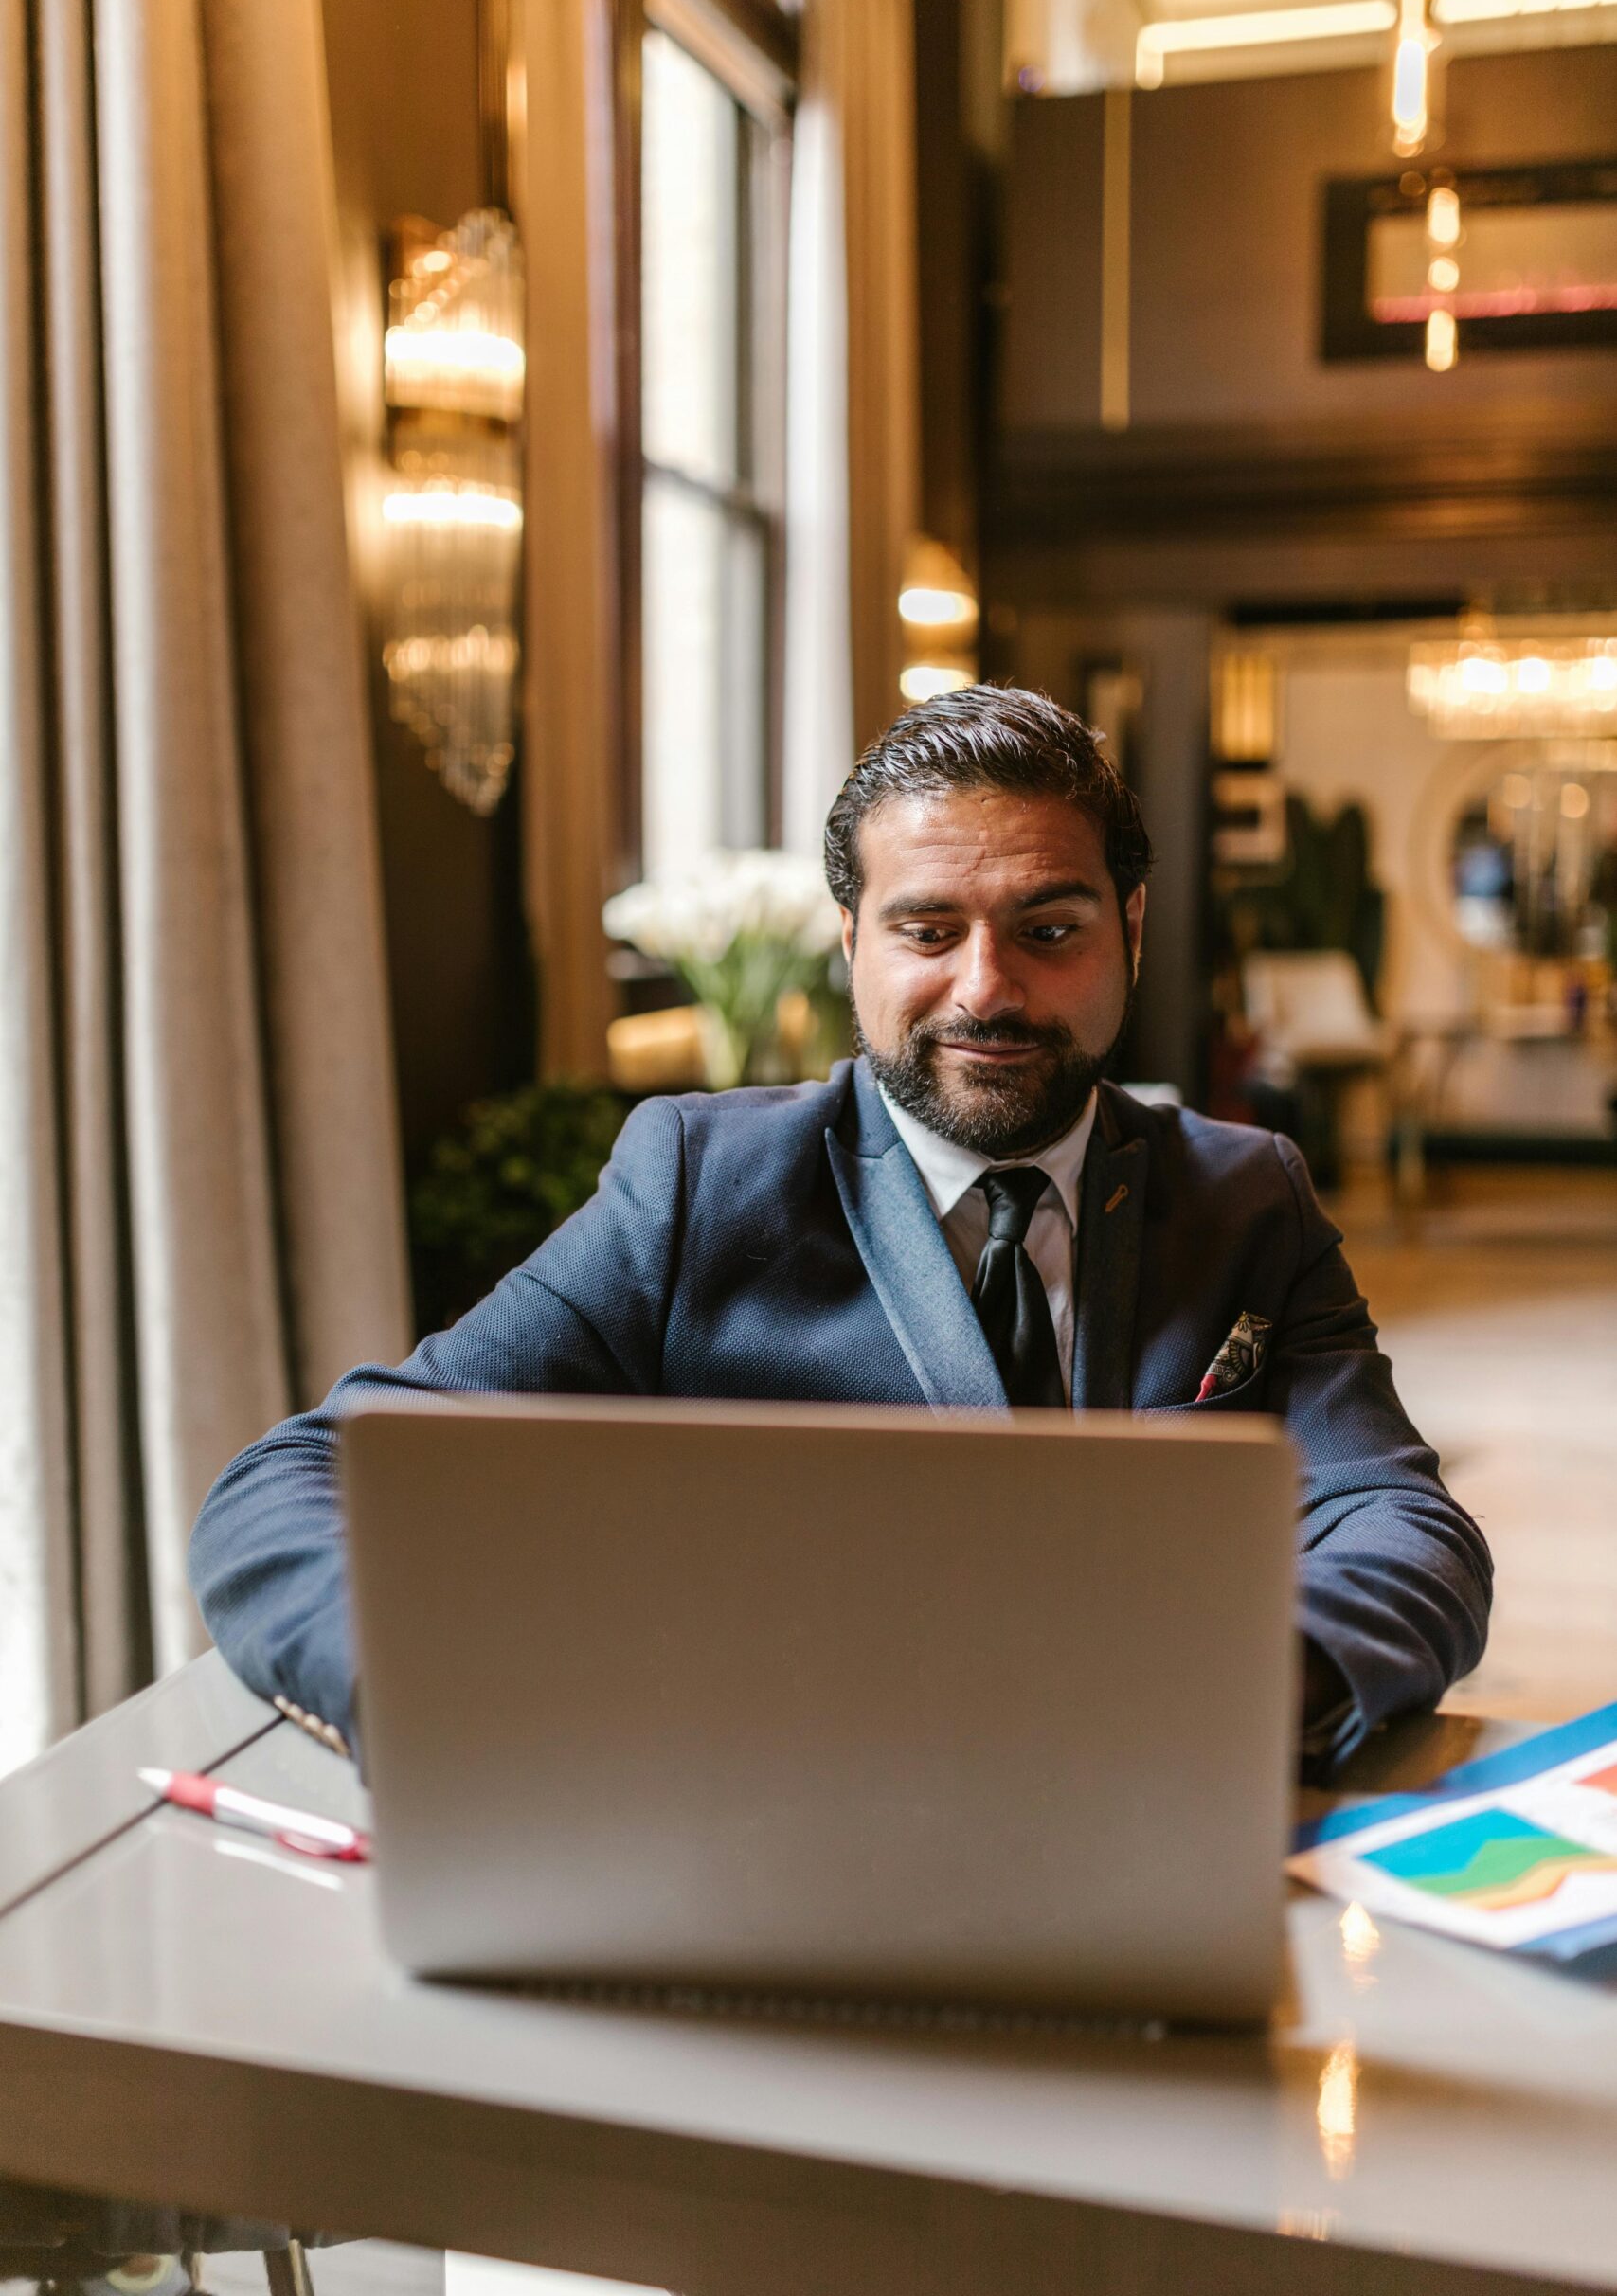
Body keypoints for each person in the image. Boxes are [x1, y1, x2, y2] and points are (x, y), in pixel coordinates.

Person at [189, 688, 1490, 1775]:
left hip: (1151, 1801)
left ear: (1131, 934)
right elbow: (305, 1477)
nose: (987, 989)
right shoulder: (698, 1184)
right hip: (762, 1810)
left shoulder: (1250, 1195)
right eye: (928, 930)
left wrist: (1248, 1688)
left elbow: (1401, 1523)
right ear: (852, 943)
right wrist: (432, 1702)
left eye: (1049, 930)